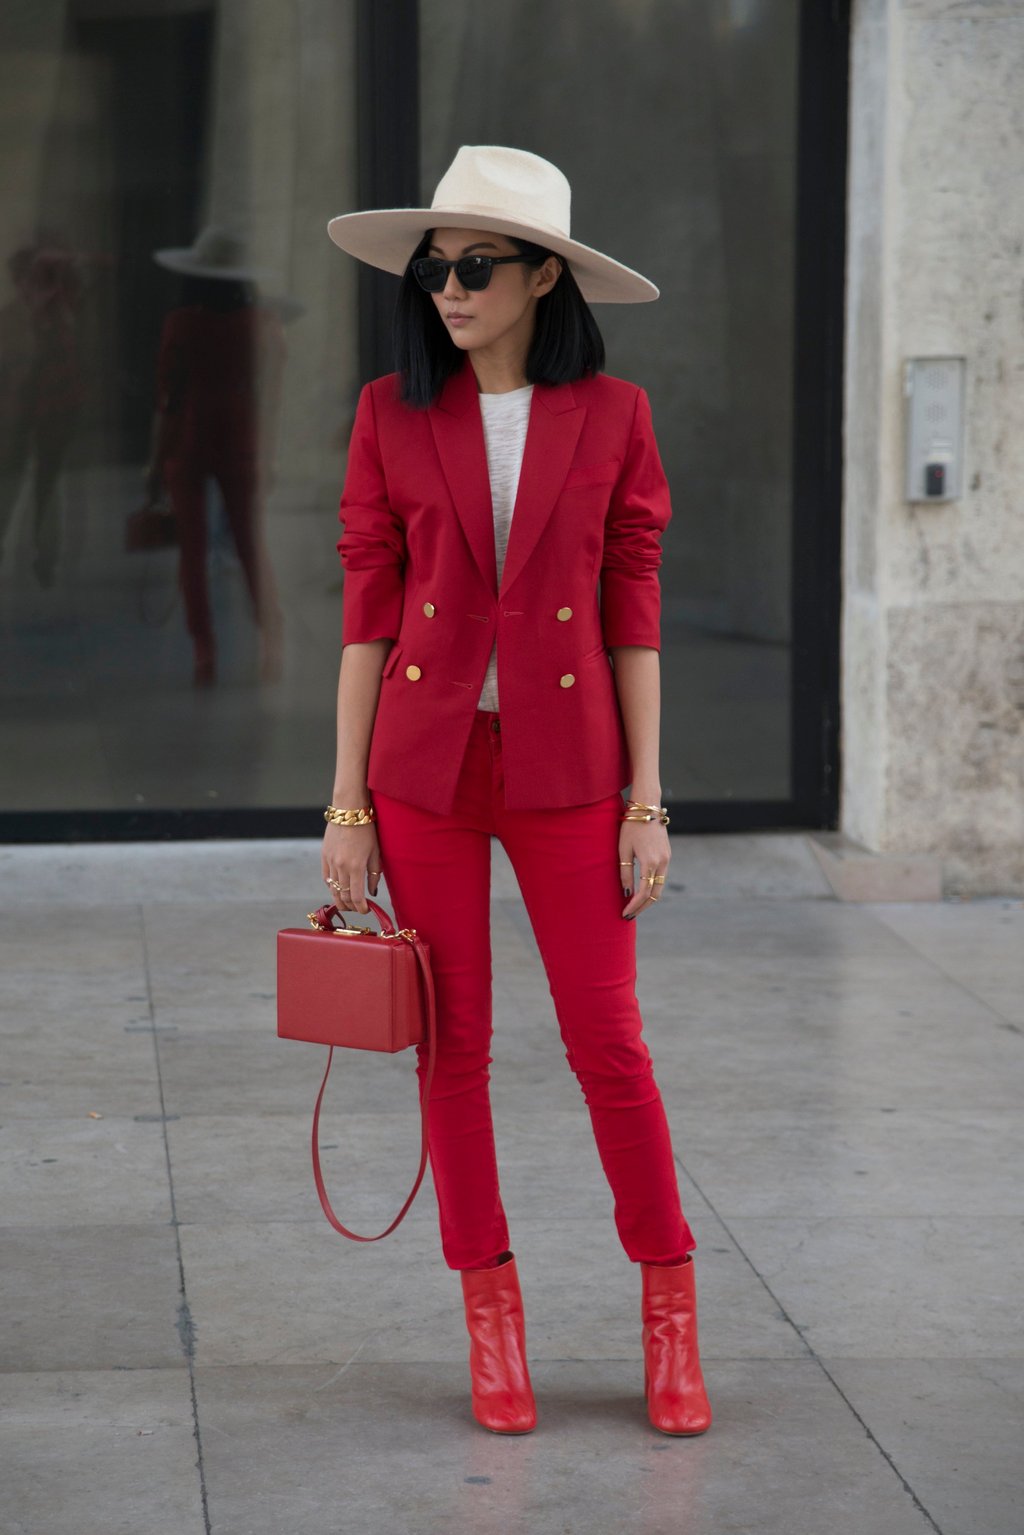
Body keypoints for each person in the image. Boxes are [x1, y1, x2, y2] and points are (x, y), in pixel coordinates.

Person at [322, 145, 711, 1438]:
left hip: (568, 768)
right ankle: (491, 1315)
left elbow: (633, 606)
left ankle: (670, 1311)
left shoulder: (614, 414)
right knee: (455, 1046)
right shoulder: (390, 411)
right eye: (435, 265)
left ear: (545, 274)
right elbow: (367, 613)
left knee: (611, 1043)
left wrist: (648, 795)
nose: (448, 285)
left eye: (476, 264)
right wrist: (345, 803)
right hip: (426, 767)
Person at [144, 227, 286, 687]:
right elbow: (273, 390)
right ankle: (272, 637)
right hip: (241, 433)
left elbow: (167, 395)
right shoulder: (261, 323)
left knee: (192, 549)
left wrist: (154, 463)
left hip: (189, 432)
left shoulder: (181, 322)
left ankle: (204, 647)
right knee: (249, 543)